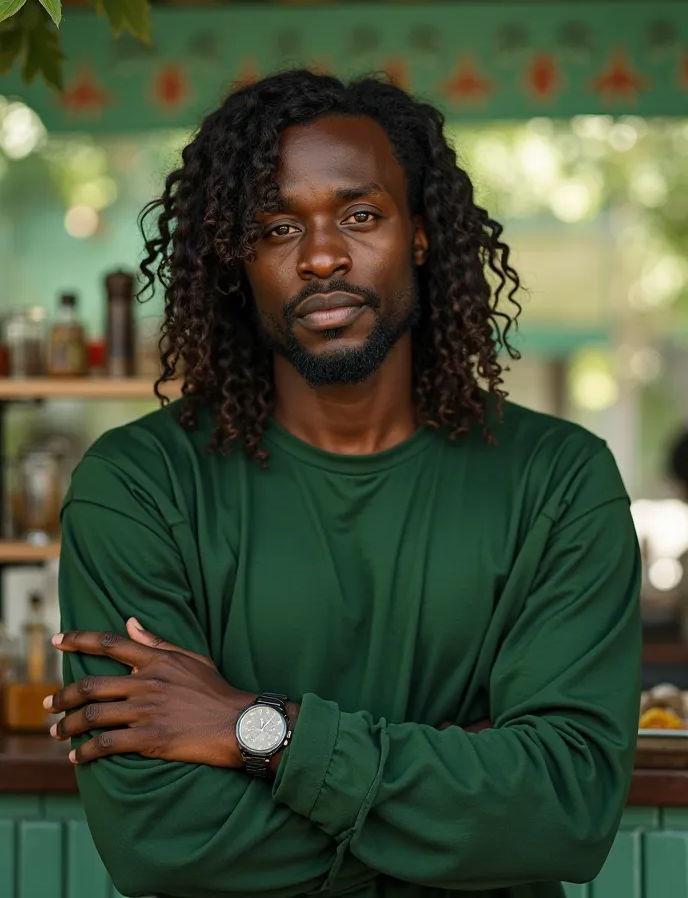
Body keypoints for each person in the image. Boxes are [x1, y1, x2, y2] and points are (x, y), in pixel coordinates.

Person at [48, 70, 641, 898]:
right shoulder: (141, 486)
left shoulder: (556, 480)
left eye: (360, 216)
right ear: (235, 258)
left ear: (423, 234)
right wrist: (454, 789)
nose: (323, 255)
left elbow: (565, 812)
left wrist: (258, 733)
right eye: (277, 226)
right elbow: (162, 838)